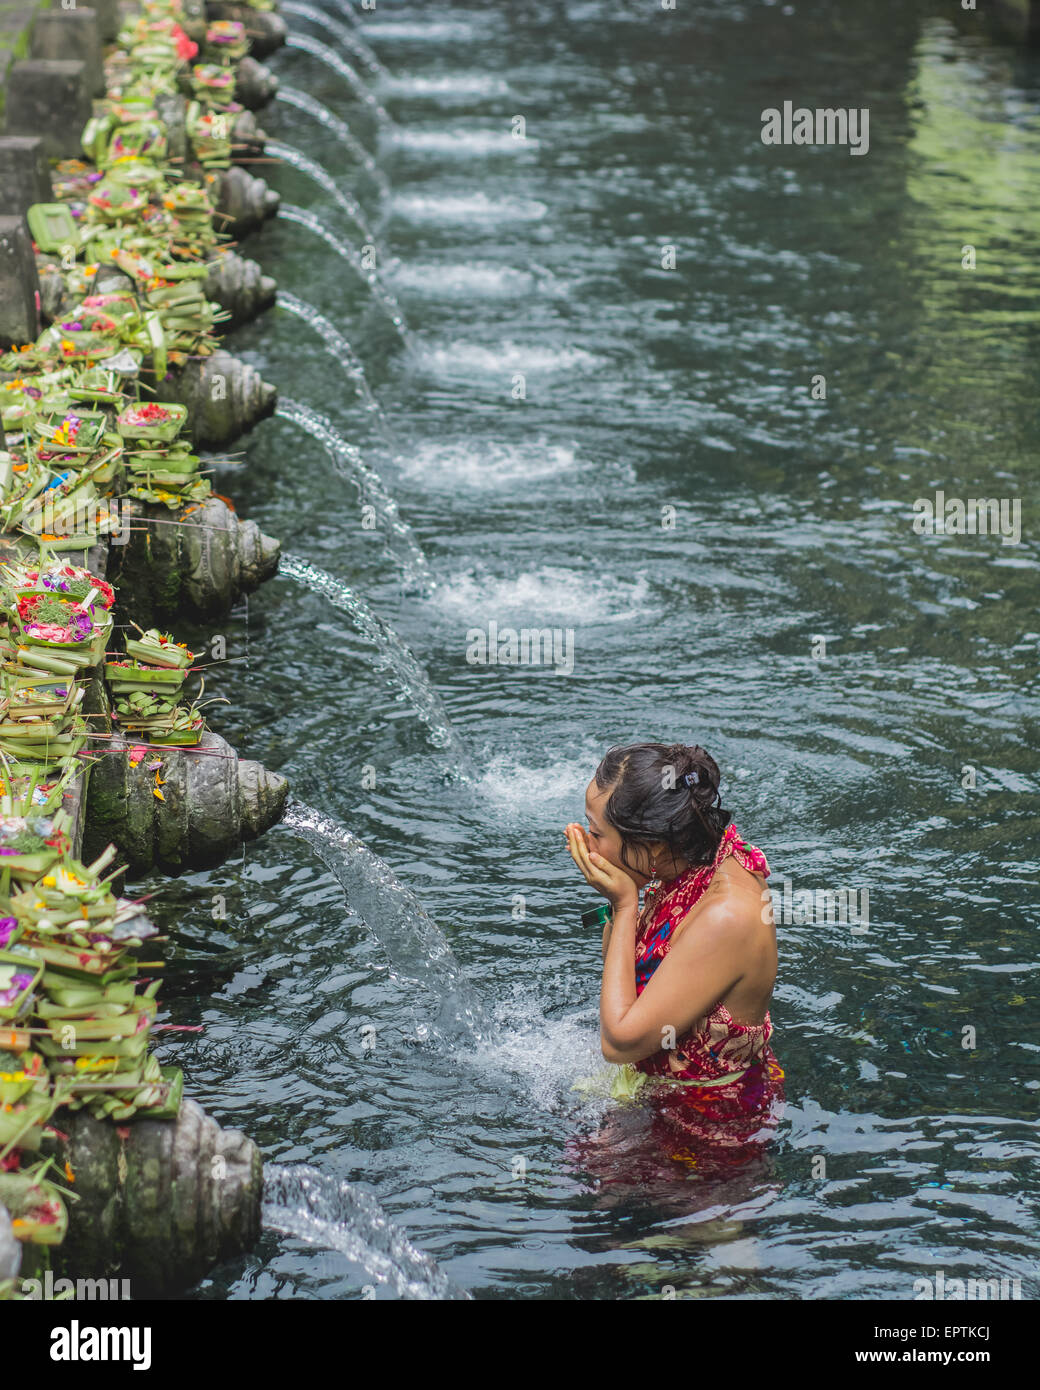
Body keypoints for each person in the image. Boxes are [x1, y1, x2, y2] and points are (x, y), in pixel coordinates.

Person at [564, 741, 784, 1179]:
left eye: (597, 832)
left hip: (707, 1129)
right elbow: (624, 972)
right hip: (661, 1096)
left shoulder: (726, 915)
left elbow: (619, 1043)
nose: (586, 841)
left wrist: (625, 906)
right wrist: (619, 900)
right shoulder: (696, 854)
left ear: (652, 842)